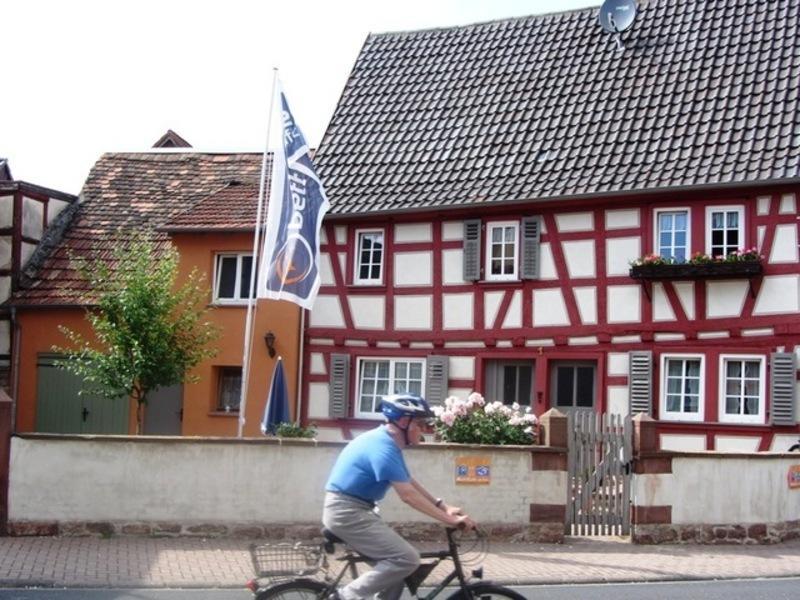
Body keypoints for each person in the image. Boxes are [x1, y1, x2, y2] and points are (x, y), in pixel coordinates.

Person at [322, 394, 477, 600]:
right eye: (420, 424)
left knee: (396, 571)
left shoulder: (387, 444)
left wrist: (442, 506)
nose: (424, 430)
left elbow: (409, 481)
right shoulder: (382, 447)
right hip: (347, 512)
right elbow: (408, 496)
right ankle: (343, 597)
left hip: (355, 510)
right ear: (404, 422)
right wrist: (451, 520)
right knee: (407, 559)